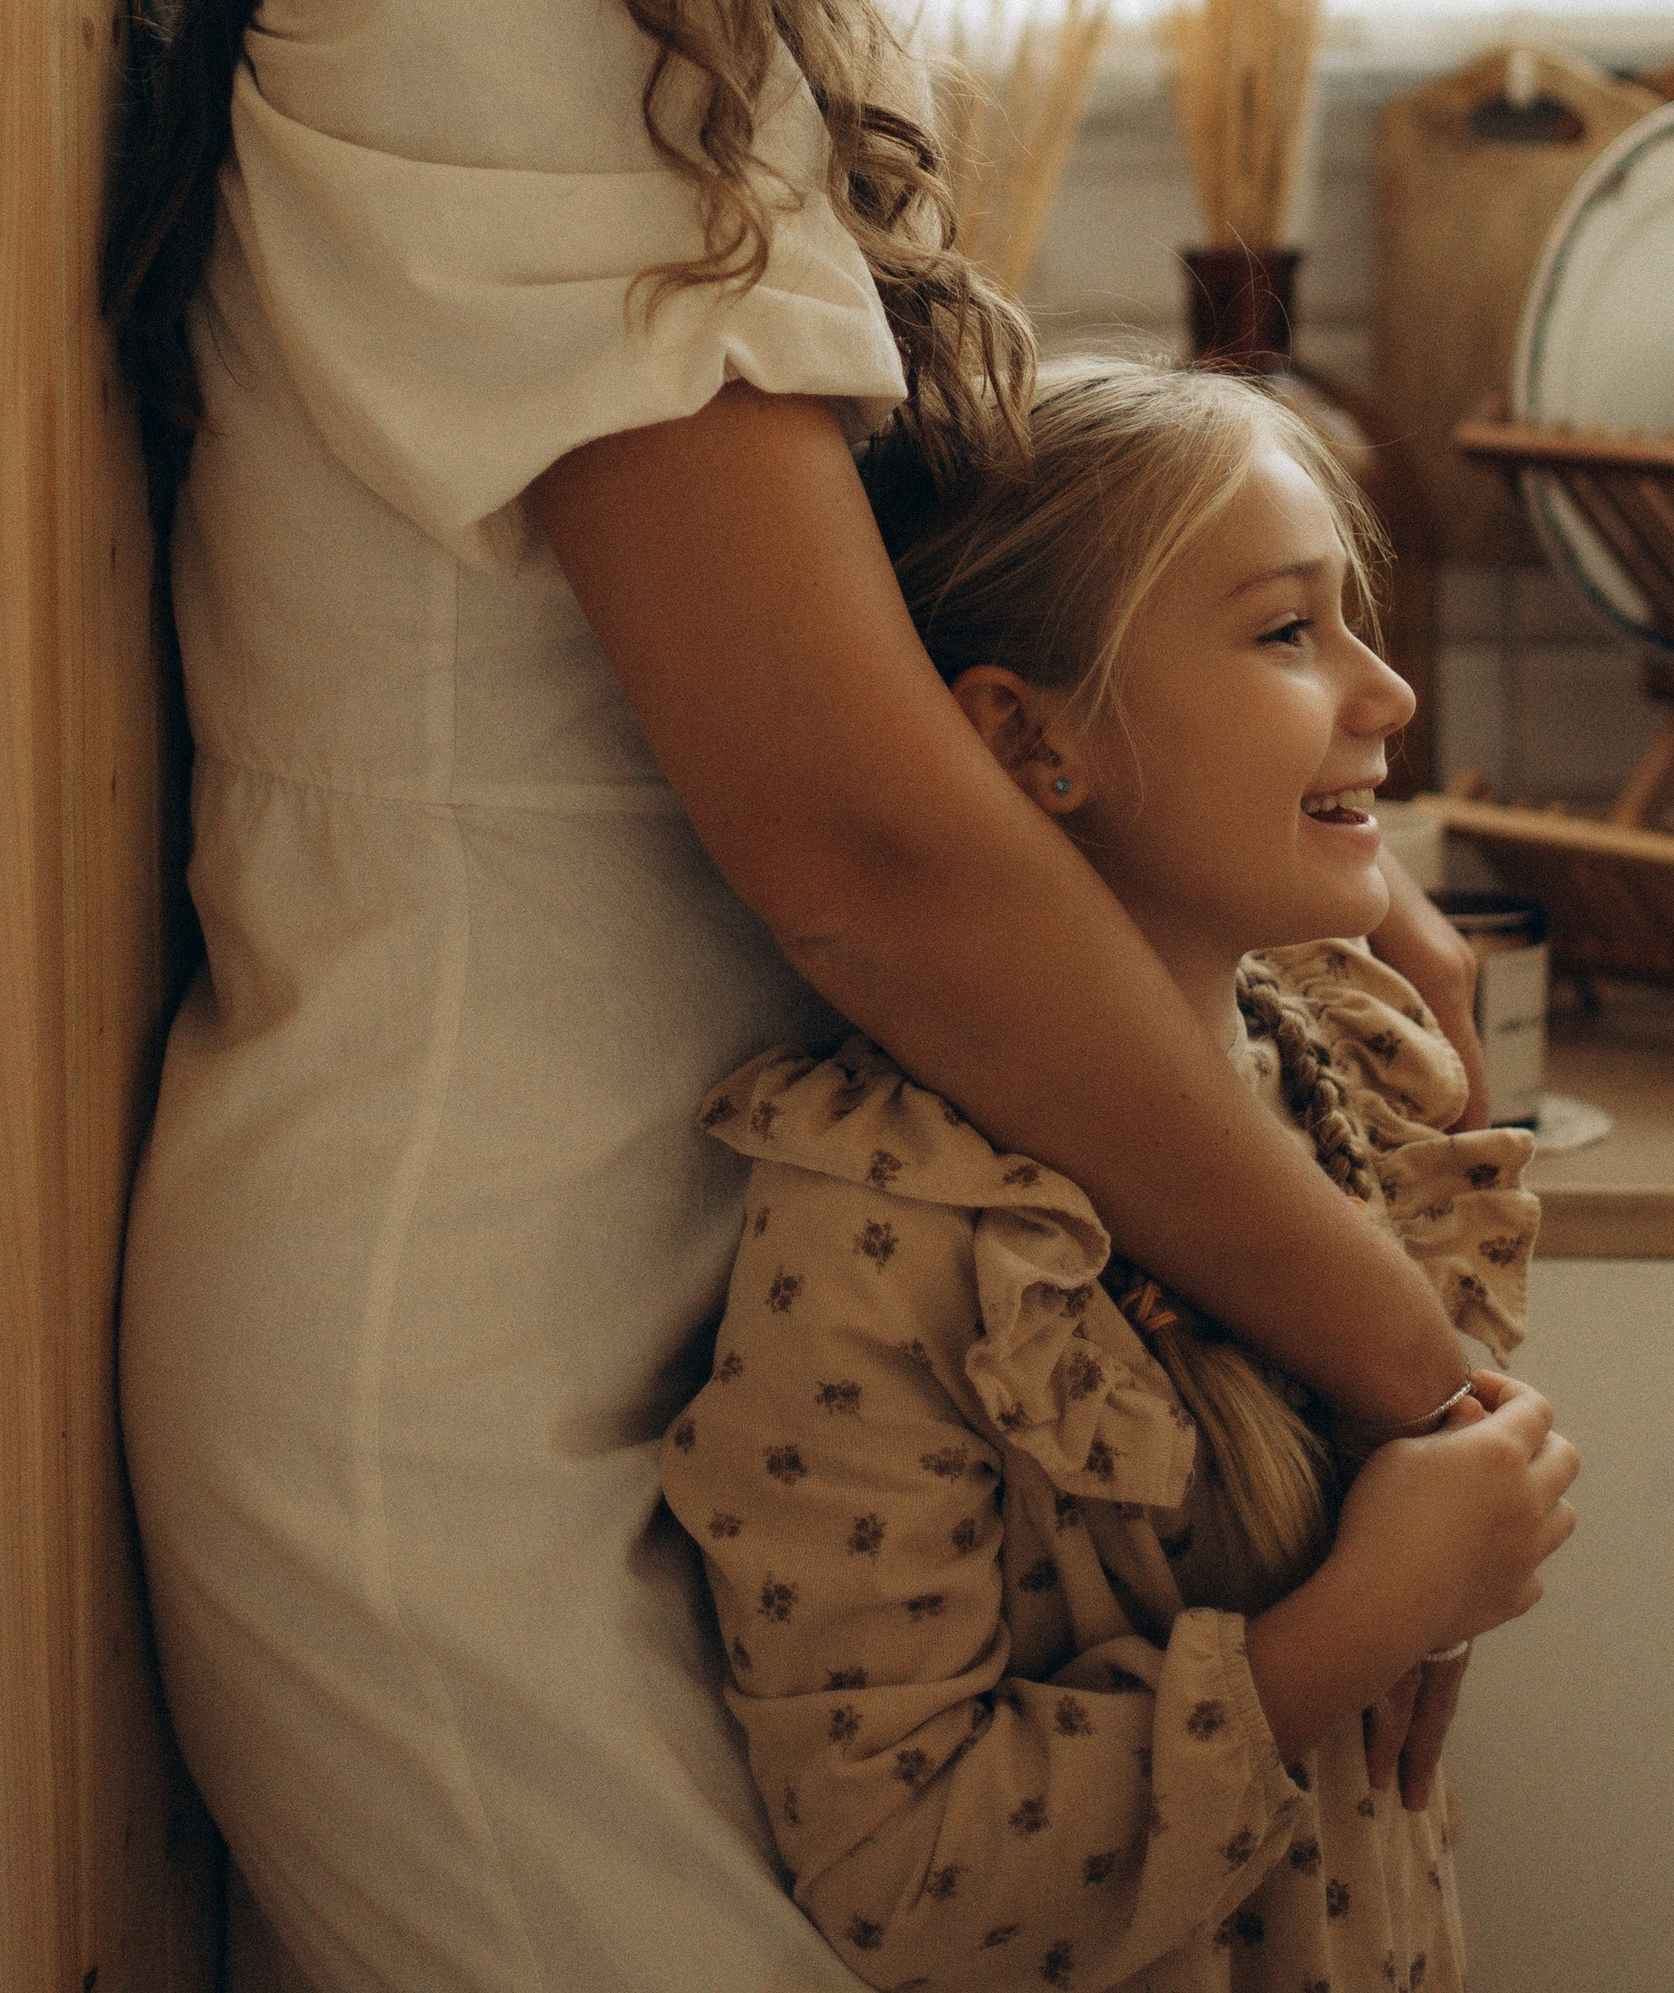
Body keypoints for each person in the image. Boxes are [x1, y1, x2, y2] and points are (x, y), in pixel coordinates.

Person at [107, 0, 1502, 1993]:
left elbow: (963, 684)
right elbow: (864, 841)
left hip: (707, 1369)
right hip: (456, 1411)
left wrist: (1292, 919)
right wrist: (1387, 1340)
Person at [663, 359, 1575, 1993]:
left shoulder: (1342, 1076)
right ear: (1028, 739)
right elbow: (905, 1879)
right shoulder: (897, 1233)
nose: (1389, 697)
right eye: (1289, 632)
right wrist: (1364, 1623)